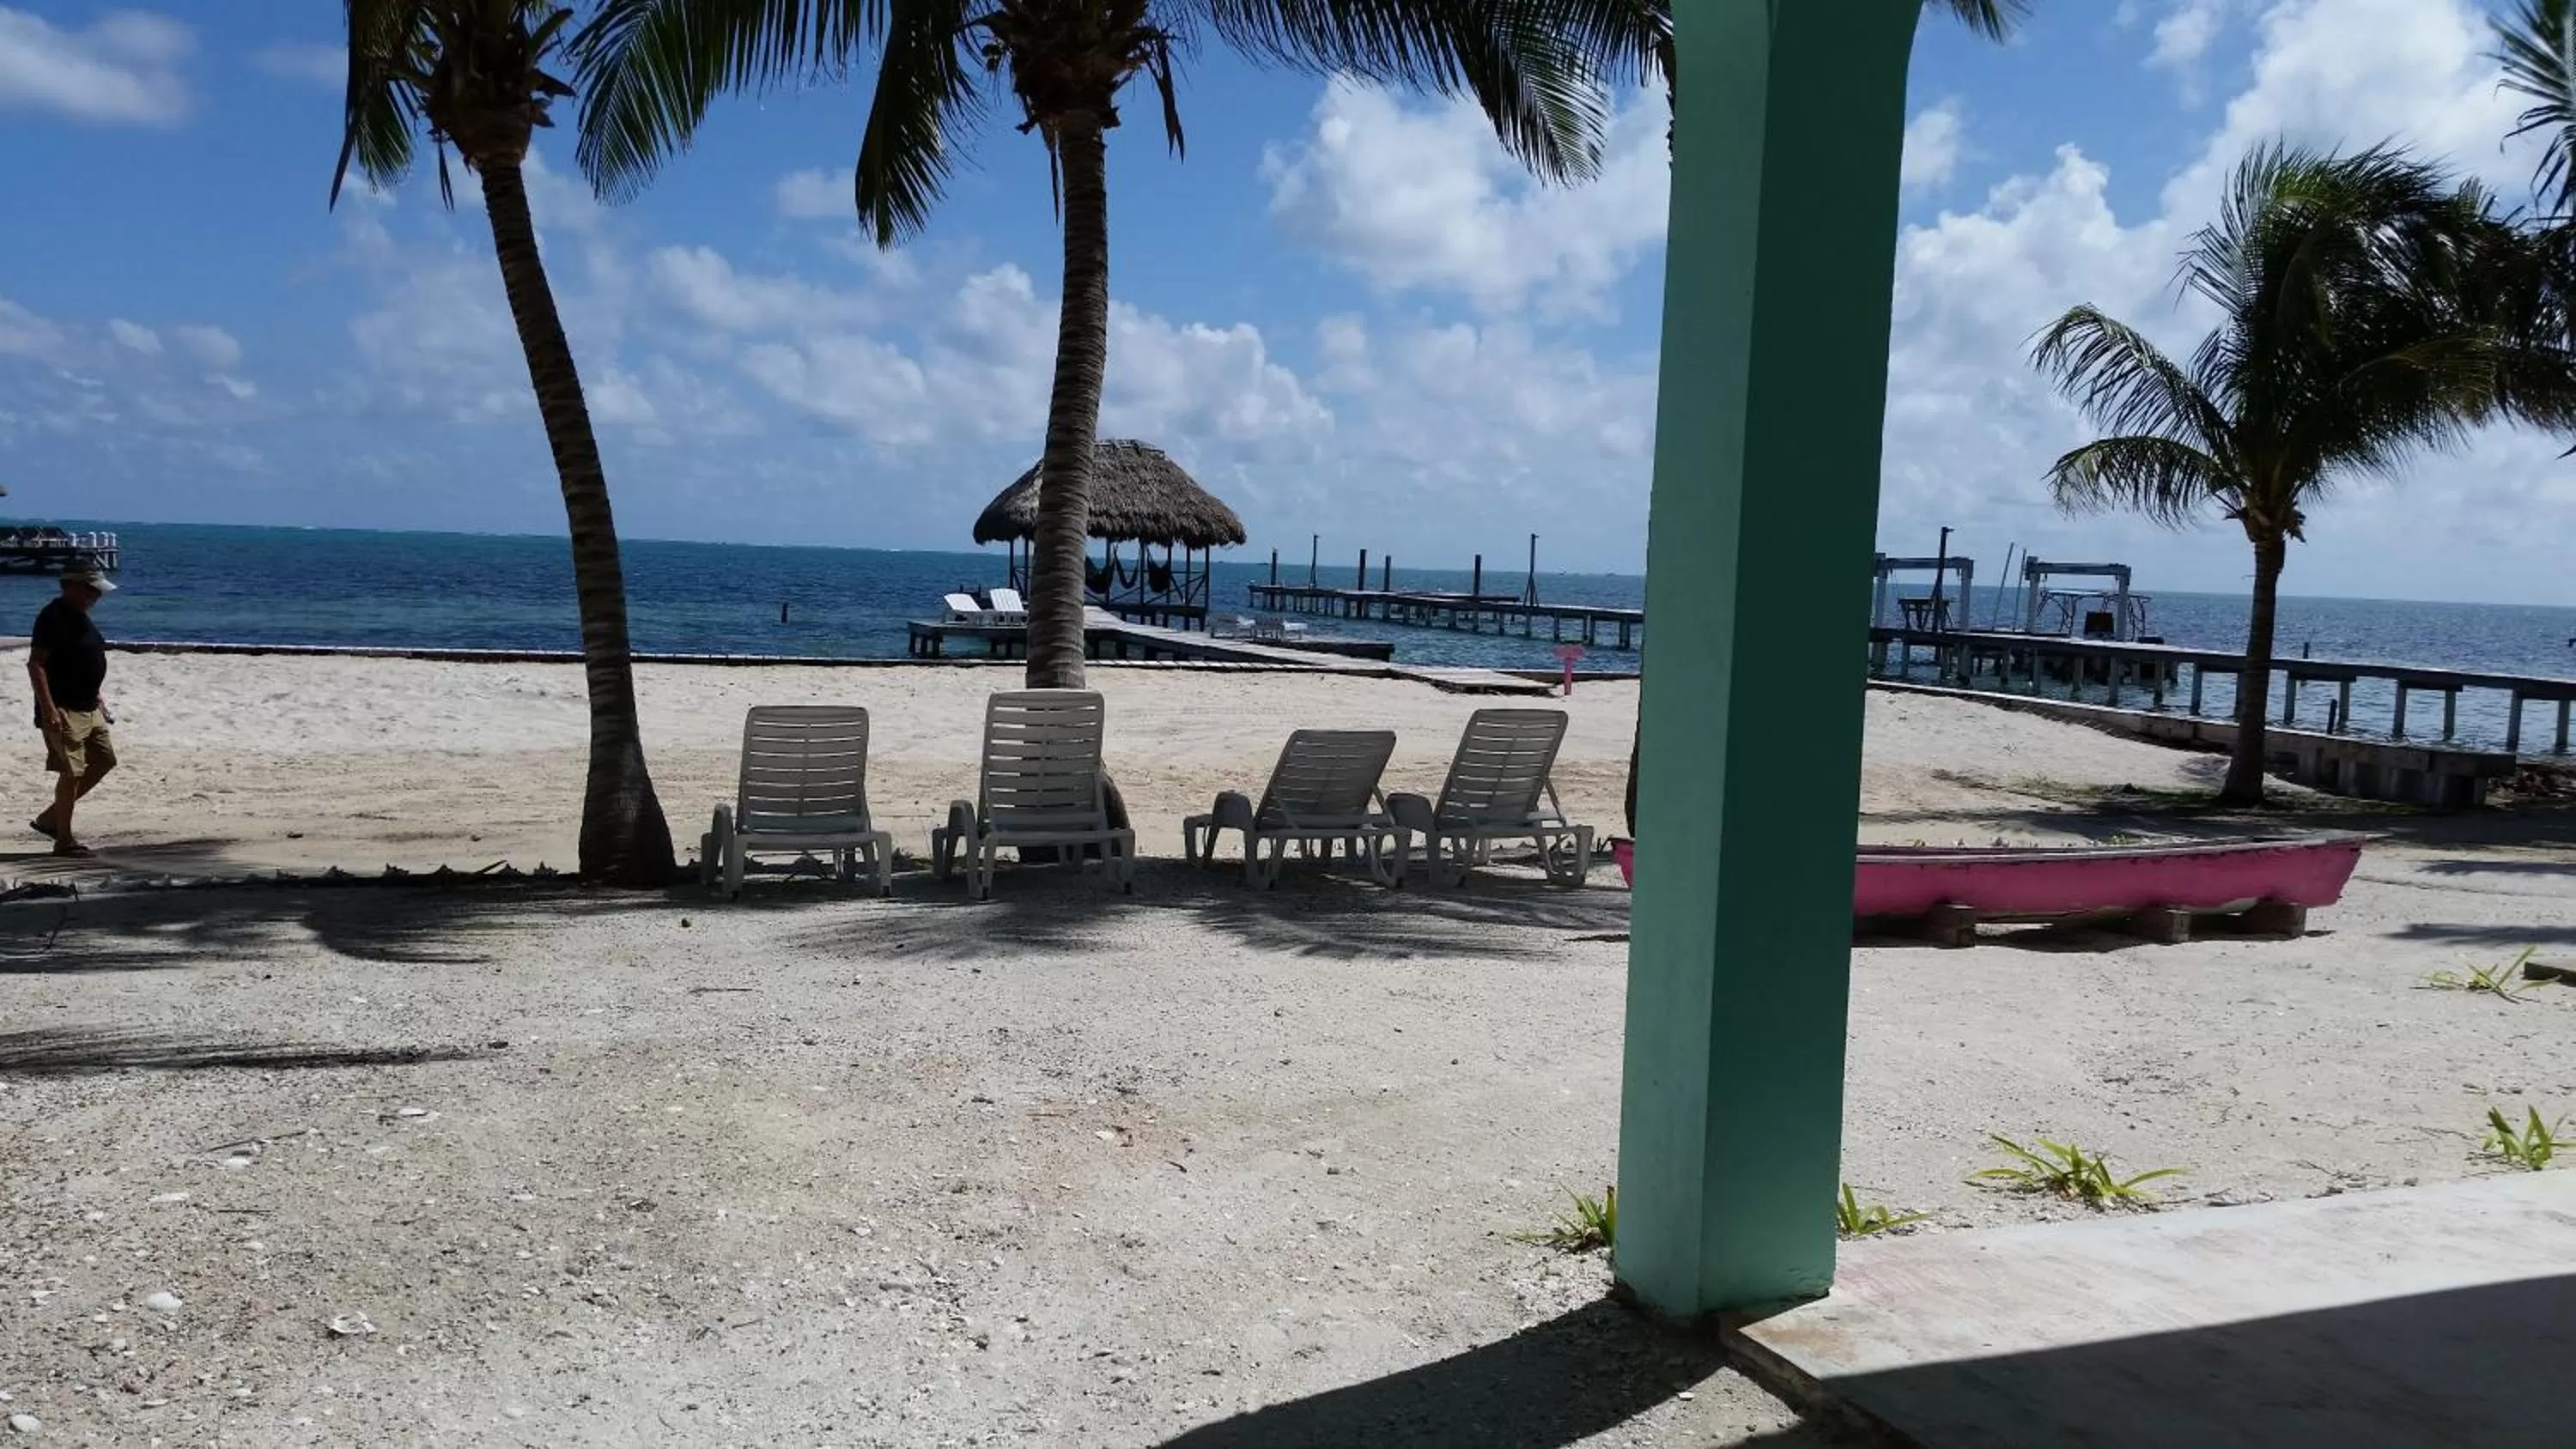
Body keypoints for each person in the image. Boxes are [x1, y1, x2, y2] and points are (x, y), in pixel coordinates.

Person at [29, 566, 117, 858]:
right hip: (64, 710)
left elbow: (81, 658)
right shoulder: (52, 617)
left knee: (104, 760)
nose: (96, 596)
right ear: (71, 586)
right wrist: (49, 709)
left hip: (89, 706)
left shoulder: (80, 617)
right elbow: (36, 665)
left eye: (98, 591)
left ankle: (49, 819)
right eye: (91, 590)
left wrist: (97, 695)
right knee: (72, 774)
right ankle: (63, 840)